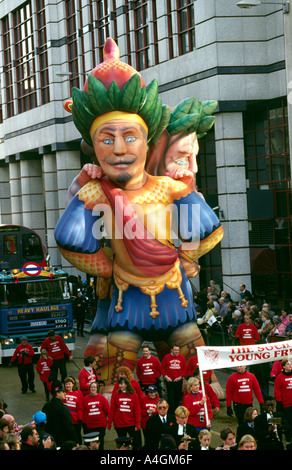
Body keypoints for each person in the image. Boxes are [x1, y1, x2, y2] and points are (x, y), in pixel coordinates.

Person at [54, 37, 223, 398]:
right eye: (106, 138)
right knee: (118, 374)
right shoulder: (94, 192)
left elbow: (209, 228)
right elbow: (68, 239)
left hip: (174, 296)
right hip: (123, 298)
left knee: (195, 366)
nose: (119, 149)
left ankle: (200, 400)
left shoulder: (170, 189)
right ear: (93, 144)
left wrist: (188, 256)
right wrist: (104, 267)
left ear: (147, 141)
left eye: (130, 137)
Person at [108, 377, 141, 450]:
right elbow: (112, 410)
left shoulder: (134, 395)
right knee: (121, 445)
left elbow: (137, 410)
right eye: (119, 384)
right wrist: (109, 422)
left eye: (121, 384)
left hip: (131, 423)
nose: (120, 385)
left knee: (135, 443)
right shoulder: (116, 395)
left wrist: (137, 423)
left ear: (126, 384)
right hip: (119, 424)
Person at [42, 380, 77, 447]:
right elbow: (69, 426)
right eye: (63, 392)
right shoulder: (63, 408)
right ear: (57, 393)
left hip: (50, 440)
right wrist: (75, 440)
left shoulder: (46, 406)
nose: (65, 393)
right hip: (62, 440)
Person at [82, 381, 110, 450]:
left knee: (100, 444)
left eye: (94, 387)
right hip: (89, 426)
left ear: (97, 389)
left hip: (100, 425)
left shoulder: (102, 398)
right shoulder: (85, 399)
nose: (93, 388)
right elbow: (83, 412)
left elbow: (108, 411)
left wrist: (109, 422)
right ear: (89, 388)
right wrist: (84, 424)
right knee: (90, 445)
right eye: (91, 387)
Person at [161, 345, 187, 413]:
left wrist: (180, 377)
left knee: (178, 397)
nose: (176, 352)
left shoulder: (182, 357)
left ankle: (177, 412)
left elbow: (184, 369)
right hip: (170, 380)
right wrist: (166, 377)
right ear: (172, 350)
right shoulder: (167, 357)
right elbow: (162, 368)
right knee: (171, 397)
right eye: (175, 350)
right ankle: (171, 412)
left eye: (178, 350)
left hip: (178, 380)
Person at [274, 358, 292, 435]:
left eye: (291, 364)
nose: (290, 365)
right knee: (288, 423)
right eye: (288, 364)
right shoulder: (279, 377)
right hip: (286, 405)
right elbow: (277, 391)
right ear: (283, 366)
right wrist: (279, 402)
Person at [63, 376, 83, 444]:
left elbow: (80, 408)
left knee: (77, 436)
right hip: (66, 420)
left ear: (73, 384)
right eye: (66, 384)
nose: (67, 385)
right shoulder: (63, 394)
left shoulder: (78, 393)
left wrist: (80, 419)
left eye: (69, 384)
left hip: (75, 420)